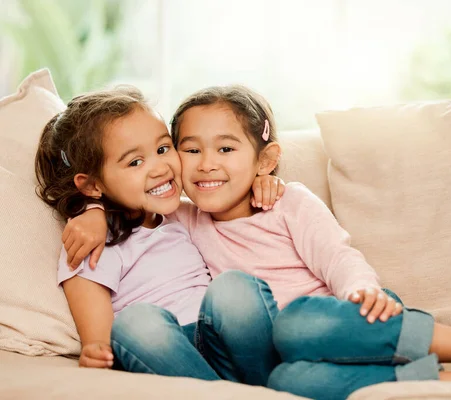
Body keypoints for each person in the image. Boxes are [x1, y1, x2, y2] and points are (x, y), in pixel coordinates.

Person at [65, 85, 451, 400]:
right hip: (258, 362)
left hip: (332, 326)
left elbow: (337, 255)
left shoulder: (285, 200)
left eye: (225, 148)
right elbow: (132, 201)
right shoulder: (184, 216)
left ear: (265, 160)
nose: (203, 164)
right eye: (188, 149)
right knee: (299, 383)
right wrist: (89, 211)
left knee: (286, 318)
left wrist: (361, 287)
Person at [34, 86, 284, 385]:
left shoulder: (182, 215)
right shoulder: (96, 237)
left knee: (235, 288)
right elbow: (88, 300)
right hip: (167, 351)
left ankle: (271, 387)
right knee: (136, 324)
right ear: (92, 185)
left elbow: (230, 201)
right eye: (135, 162)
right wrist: (96, 347)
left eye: (163, 149)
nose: (159, 168)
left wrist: (261, 183)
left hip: (223, 343)